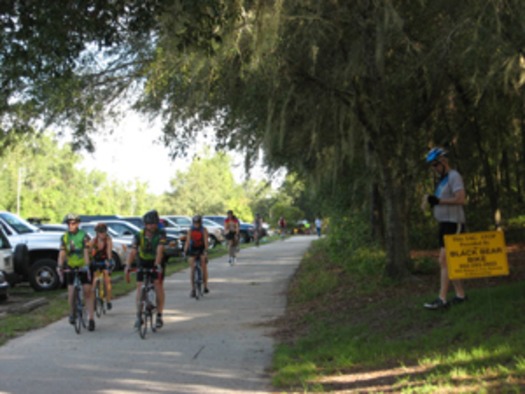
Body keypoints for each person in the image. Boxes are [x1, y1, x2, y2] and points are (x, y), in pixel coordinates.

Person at [423, 147, 467, 310]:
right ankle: (460, 294)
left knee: (443, 259)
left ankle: (442, 299)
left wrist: (440, 202)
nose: (434, 169)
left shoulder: (454, 176)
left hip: (454, 223)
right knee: (450, 262)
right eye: (432, 166)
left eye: (435, 165)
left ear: (443, 162)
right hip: (444, 223)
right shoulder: (441, 181)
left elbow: (461, 199)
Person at [125, 210, 167, 328]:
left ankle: (159, 315)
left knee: (158, 285)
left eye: (154, 223)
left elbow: (160, 250)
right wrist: (128, 265)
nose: (151, 226)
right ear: (145, 225)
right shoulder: (139, 235)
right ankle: (138, 315)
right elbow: (133, 251)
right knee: (139, 287)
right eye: (149, 224)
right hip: (143, 261)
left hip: (156, 261)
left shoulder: (161, 233)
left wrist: (157, 265)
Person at [57, 213, 95, 331]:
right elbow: (62, 253)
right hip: (71, 266)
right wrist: (59, 265)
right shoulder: (65, 237)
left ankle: (91, 319)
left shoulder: (83, 236)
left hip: (84, 265)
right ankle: (72, 312)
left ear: (77, 224)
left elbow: (85, 251)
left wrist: (87, 266)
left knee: (87, 292)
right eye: (68, 224)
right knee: (71, 291)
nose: (70, 226)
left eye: (73, 223)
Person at [89, 223, 114, 311]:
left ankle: (108, 300)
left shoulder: (108, 240)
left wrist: (109, 261)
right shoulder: (93, 241)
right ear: (97, 233)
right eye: (100, 232)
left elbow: (109, 252)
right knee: (94, 279)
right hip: (96, 260)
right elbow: (88, 252)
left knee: (107, 278)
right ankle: (93, 300)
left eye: (104, 232)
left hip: (105, 260)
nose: (102, 234)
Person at [184, 215, 210, 297]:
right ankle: (193, 289)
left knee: (203, 265)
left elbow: (206, 241)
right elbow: (187, 242)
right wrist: (185, 251)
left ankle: (205, 286)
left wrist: (206, 251)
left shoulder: (204, 230)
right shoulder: (190, 230)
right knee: (192, 268)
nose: (196, 224)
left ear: (200, 223)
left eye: (198, 223)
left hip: (201, 248)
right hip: (193, 249)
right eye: (195, 223)